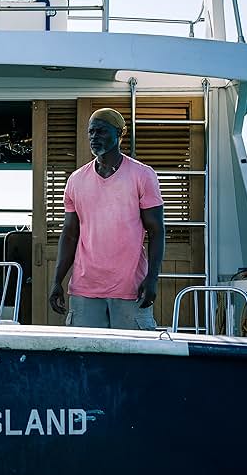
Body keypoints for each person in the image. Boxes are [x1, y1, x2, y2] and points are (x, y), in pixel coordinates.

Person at [49, 108, 164, 330]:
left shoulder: (142, 175)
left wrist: (152, 278)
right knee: (86, 360)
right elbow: (70, 234)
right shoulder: (75, 180)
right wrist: (57, 281)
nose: (94, 137)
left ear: (119, 133)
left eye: (101, 131)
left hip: (131, 288)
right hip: (85, 289)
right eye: (91, 132)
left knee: (132, 360)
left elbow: (157, 230)